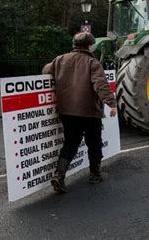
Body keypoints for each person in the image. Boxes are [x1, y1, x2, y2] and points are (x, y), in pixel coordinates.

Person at [42, 32, 117, 193]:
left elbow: (45, 71)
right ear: (90, 46)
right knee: (94, 143)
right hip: (89, 111)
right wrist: (111, 104)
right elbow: (100, 85)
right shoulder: (92, 63)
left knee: (70, 144)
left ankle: (59, 175)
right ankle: (95, 174)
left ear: (74, 44)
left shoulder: (60, 60)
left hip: (66, 111)